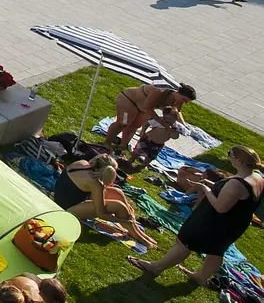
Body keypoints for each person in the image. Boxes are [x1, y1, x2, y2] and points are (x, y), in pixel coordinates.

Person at [130, 146, 263, 285]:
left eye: (230, 154)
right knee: (217, 251)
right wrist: (210, 184)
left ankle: (156, 268)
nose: (228, 156)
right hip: (235, 224)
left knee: (184, 241)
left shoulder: (236, 183)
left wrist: (205, 190)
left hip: (214, 221)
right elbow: (237, 198)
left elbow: (220, 207)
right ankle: (200, 277)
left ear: (239, 161)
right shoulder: (257, 178)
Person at [50, 153, 156, 249]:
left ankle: (133, 224)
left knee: (117, 192)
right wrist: (122, 221)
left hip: (66, 196)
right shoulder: (95, 184)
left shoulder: (82, 163)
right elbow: (101, 214)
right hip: (67, 209)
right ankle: (134, 231)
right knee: (119, 206)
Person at [104, 83, 198, 149]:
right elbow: (148, 108)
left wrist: (184, 125)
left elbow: (177, 112)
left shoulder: (178, 100)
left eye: (186, 101)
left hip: (143, 109)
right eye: (184, 99)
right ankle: (107, 143)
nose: (184, 102)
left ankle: (122, 146)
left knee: (134, 126)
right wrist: (163, 123)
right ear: (177, 92)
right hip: (129, 100)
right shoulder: (160, 90)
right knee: (123, 123)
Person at [123, 105, 186, 172]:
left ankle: (144, 165)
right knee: (138, 150)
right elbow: (147, 123)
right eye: (165, 118)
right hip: (147, 139)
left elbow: (175, 137)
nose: (167, 121)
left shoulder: (175, 127)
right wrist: (143, 131)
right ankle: (131, 159)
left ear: (176, 119)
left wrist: (172, 132)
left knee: (151, 157)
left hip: (158, 144)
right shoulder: (160, 121)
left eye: (170, 119)